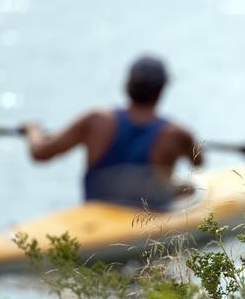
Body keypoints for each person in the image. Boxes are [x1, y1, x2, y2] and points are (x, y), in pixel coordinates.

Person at [23, 55, 203, 210]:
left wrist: (32, 130)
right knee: (185, 187)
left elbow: (39, 152)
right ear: (161, 90)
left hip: (99, 216)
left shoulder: (96, 121)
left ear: (127, 85)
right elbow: (198, 163)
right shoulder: (176, 134)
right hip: (150, 224)